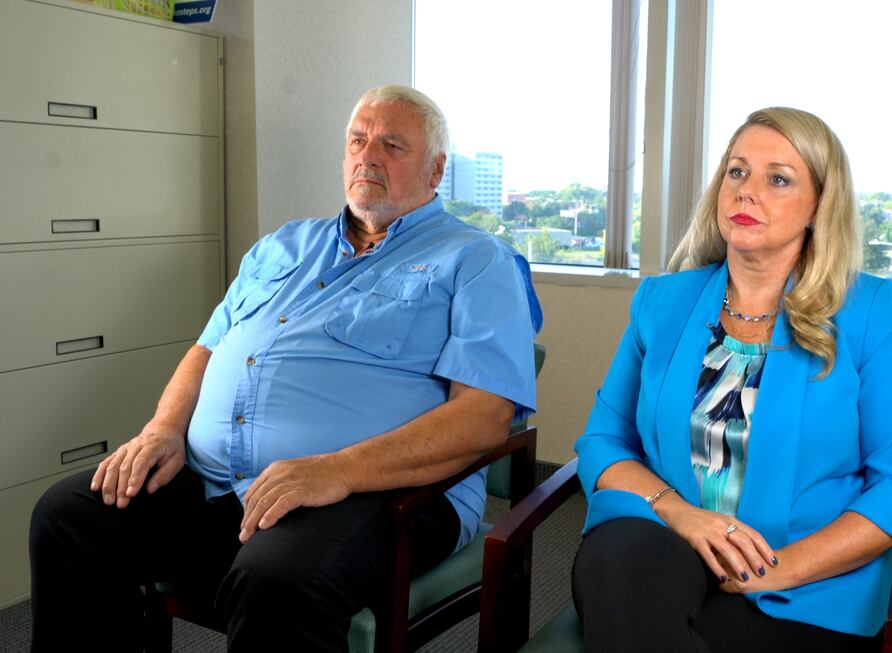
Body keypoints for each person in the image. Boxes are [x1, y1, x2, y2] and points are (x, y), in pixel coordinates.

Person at [29, 85, 542, 652]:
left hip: (375, 491)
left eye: (392, 145)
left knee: (277, 577)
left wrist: (338, 470)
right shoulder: (284, 244)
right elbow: (208, 348)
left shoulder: (476, 259)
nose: (367, 156)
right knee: (68, 518)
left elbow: (484, 417)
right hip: (214, 481)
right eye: (357, 140)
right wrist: (163, 428)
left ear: (436, 169)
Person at [571, 107, 892, 652]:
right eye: (737, 172)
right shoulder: (662, 301)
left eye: (778, 179)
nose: (747, 192)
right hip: (662, 542)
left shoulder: (865, 313)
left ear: (819, 205)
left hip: (801, 580)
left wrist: (778, 570)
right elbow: (604, 441)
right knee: (624, 569)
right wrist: (682, 515)